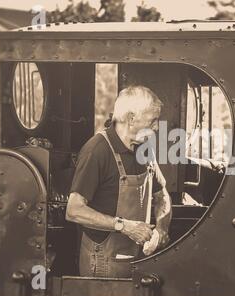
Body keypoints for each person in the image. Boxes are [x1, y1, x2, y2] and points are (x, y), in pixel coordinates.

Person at [66, 85, 172, 278]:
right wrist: (125, 226)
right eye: (153, 120)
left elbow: (161, 194)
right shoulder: (96, 151)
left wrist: (162, 227)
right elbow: (74, 210)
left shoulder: (144, 148)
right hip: (103, 261)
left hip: (137, 258)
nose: (157, 127)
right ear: (131, 118)